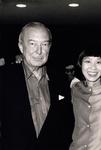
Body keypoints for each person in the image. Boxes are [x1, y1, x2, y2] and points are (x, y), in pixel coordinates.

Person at [0, 22, 73, 150]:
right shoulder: (4, 78)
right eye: (32, 43)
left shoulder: (61, 81)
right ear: (21, 46)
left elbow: (66, 125)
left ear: (49, 47)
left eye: (44, 44)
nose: (39, 51)